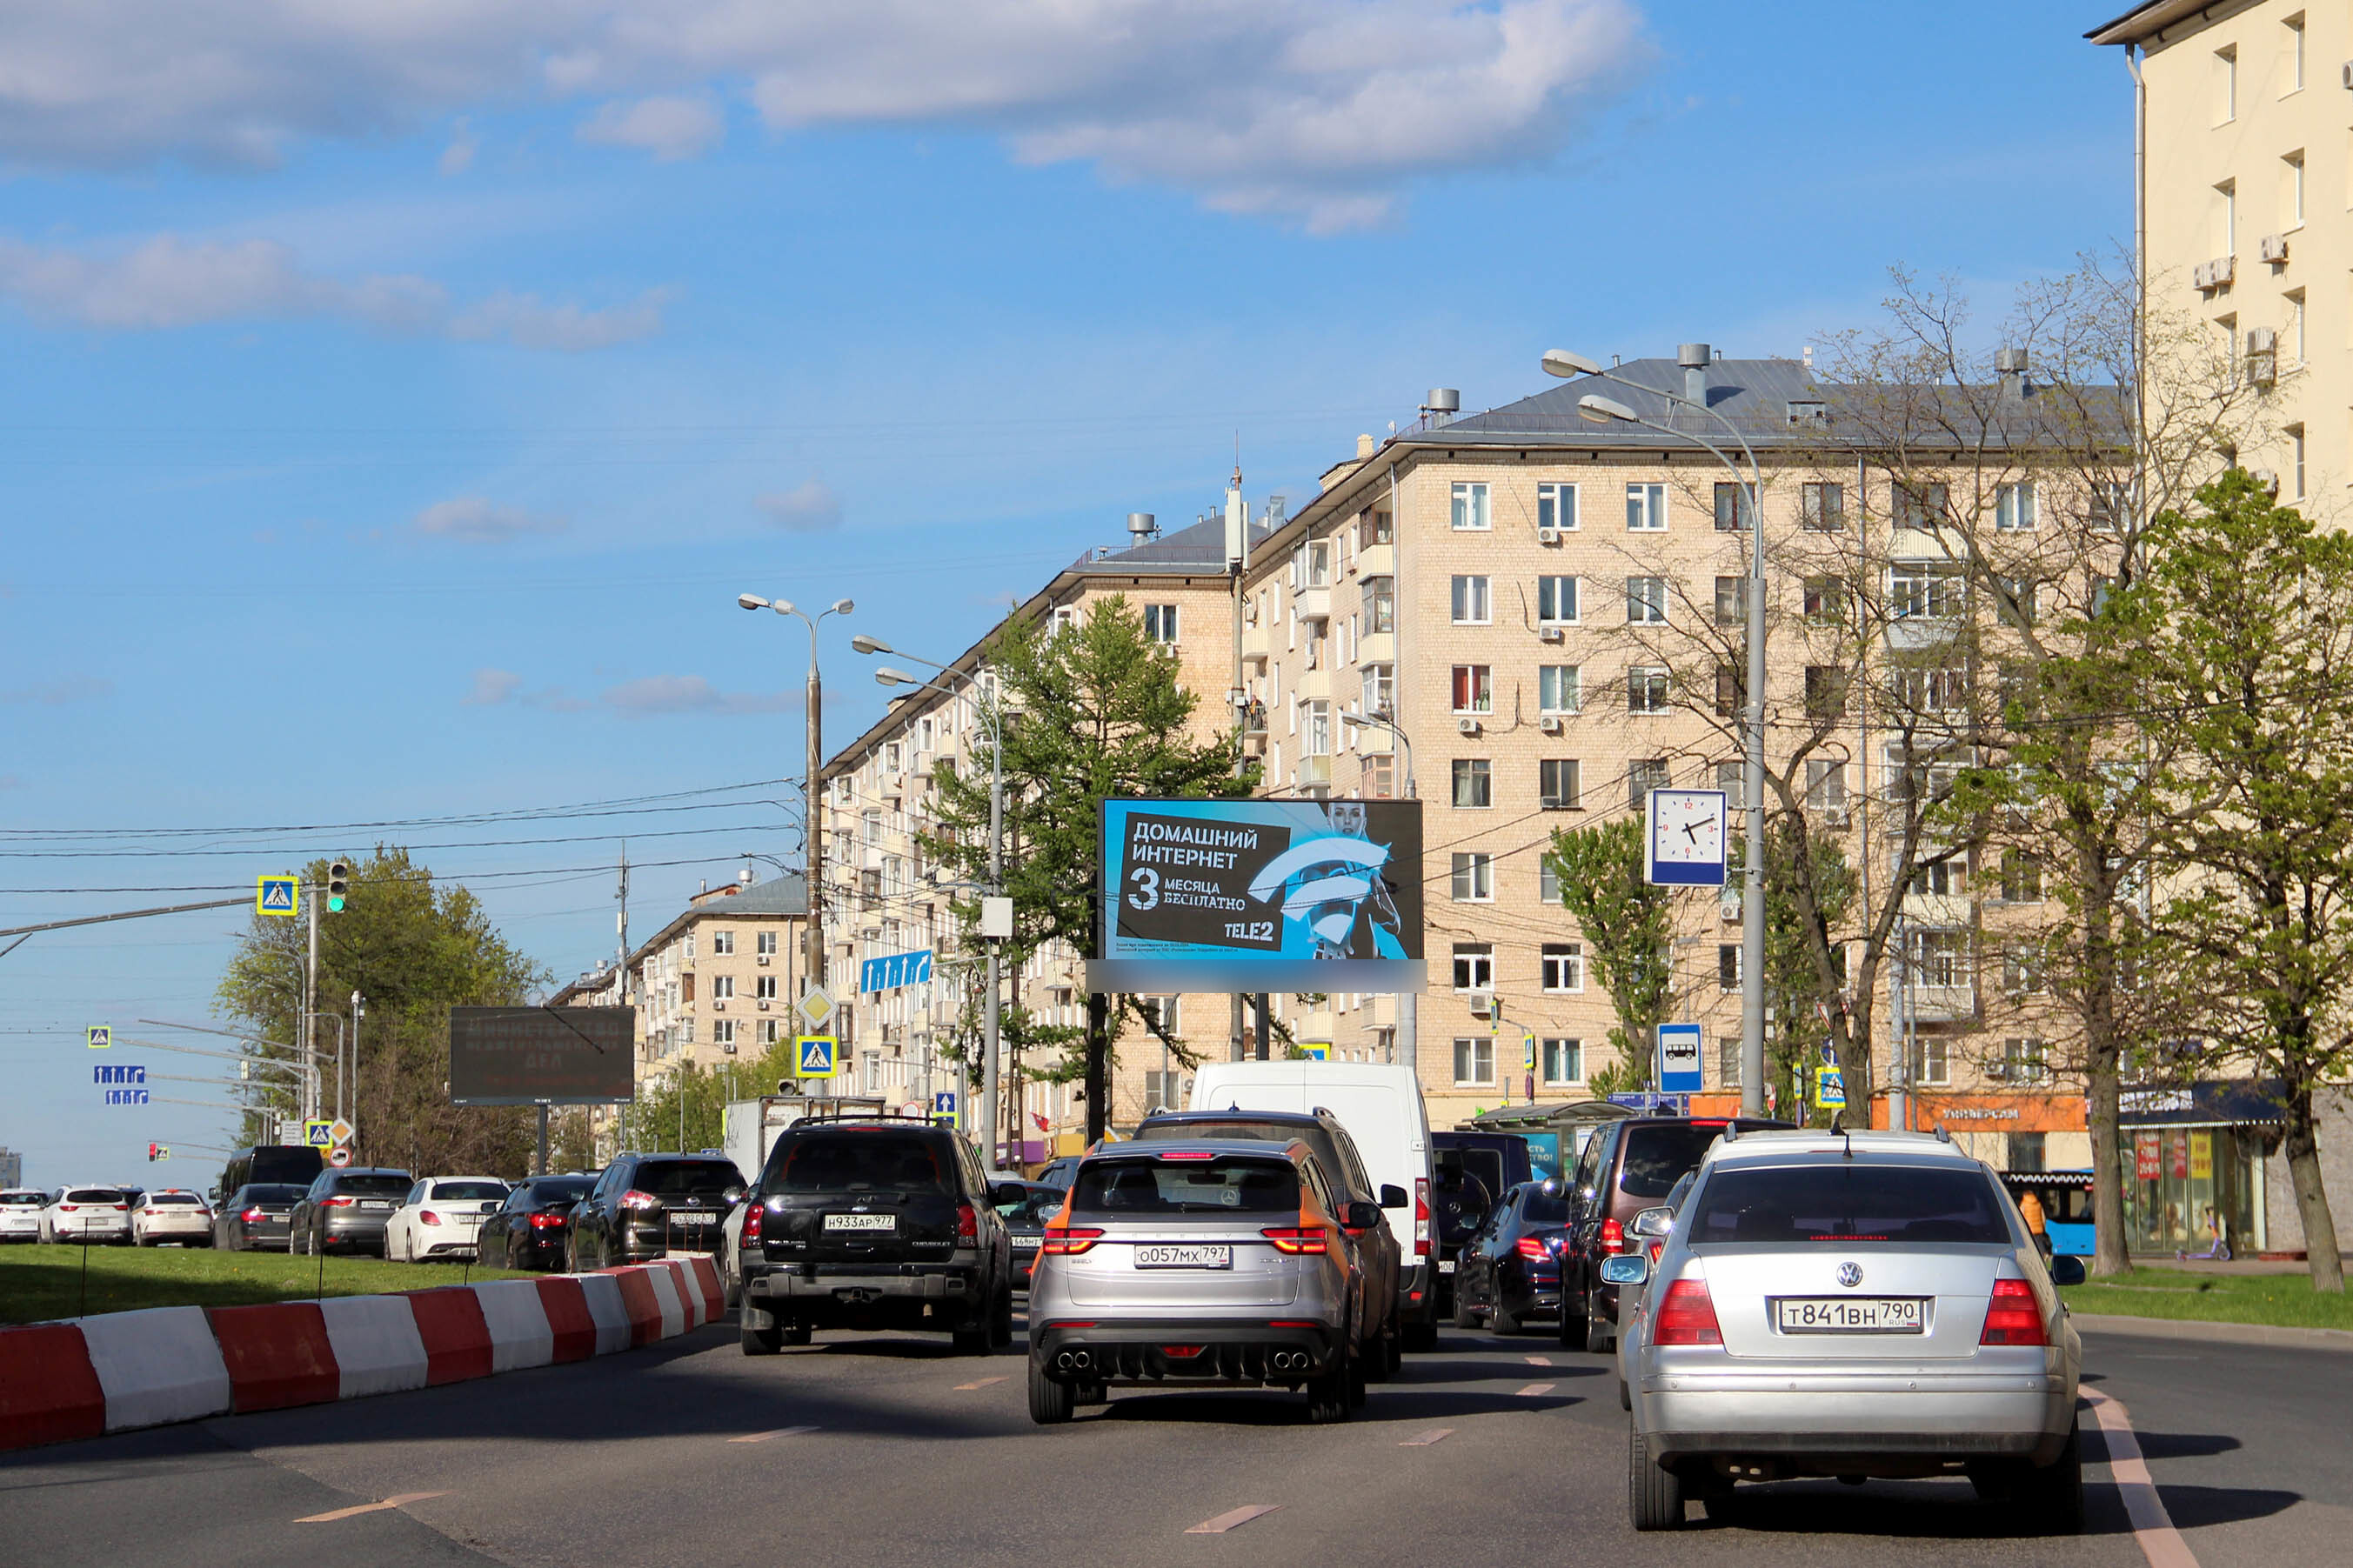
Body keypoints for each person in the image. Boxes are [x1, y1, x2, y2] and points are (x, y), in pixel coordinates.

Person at [2017, 1186, 2051, 1259]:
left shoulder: (2024, 1204)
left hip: (2029, 1229)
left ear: (2024, 1195)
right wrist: (2043, 1227)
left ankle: (2031, 1257)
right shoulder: (2038, 1203)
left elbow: (2020, 1216)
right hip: (2038, 1229)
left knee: (2029, 1244)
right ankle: (2044, 1254)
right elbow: (2043, 1217)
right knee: (2039, 1243)